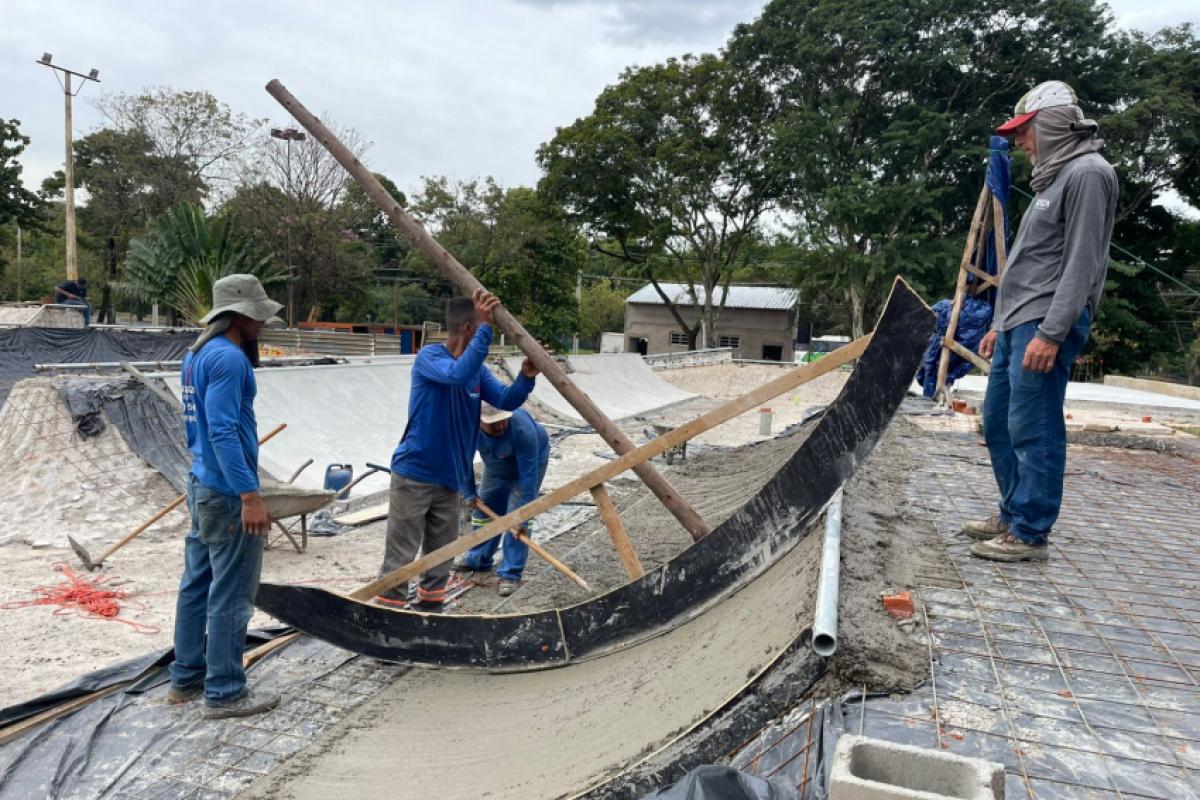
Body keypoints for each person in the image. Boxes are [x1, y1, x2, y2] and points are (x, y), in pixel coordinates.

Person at [965, 80, 1118, 563]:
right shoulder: (1054, 179)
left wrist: (1052, 332)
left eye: (1024, 130)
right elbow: (1030, 260)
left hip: (1045, 321)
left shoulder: (1088, 174)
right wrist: (999, 323)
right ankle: (1012, 513)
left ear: (1050, 125)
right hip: (1019, 320)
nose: (1019, 141)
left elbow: (1081, 262)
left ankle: (1030, 531)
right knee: (999, 421)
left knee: (1034, 427)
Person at [376, 289, 539, 612]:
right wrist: (486, 327)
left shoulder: (477, 372)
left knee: (441, 555)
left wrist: (525, 378)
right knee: (402, 553)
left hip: (450, 479)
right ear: (468, 328)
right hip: (415, 474)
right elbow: (456, 375)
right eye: (482, 328)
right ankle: (387, 611)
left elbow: (505, 400)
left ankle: (430, 609)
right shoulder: (430, 358)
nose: (486, 335)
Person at [168, 274, 283, 719]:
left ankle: (185, 679)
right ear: (239, 316)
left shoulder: (196, 354)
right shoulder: (229, 359)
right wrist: (249, 495)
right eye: (258, 315)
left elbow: (197, 427)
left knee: (196, 584)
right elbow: (221, 431)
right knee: (232, 594)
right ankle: (225, 691)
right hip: (226, 491)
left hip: (202, 482)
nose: (263, 323)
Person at [453, 404, 550, 597]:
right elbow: (462, 462)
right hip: (496, 466)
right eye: (492, 423)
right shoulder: (467, 428)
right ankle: (479, 559)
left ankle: (510, 574)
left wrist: (524, 513)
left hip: (528, 467)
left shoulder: (523, 430)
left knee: (517, 520)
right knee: (483, 512)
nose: (499, 425)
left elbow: (528, 476)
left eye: (502, 420)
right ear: (479, 421)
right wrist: (469, 493)